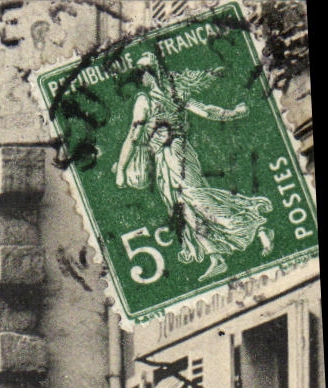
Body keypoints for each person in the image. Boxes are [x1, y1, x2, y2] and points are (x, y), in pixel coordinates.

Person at [112, 52, 275, 282]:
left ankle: (256, 227)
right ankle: (215, 257)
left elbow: (134, 135)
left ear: (151, 73)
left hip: (177, 156)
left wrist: (121, 169)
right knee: (183, 209)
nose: (140, 80)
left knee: (199, 200)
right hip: (165, 160)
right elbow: (142, 138)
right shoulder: (167, 95)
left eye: (141, 75)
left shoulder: (147, 101)